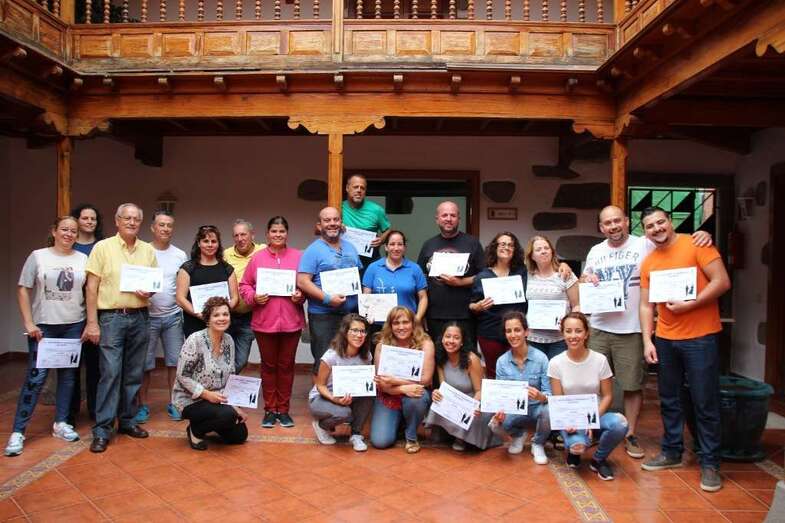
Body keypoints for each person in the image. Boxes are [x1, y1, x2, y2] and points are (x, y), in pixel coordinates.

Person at [582, 205, 713, 459]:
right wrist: (585, 280)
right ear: (601, 228)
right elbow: (585, 279)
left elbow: (672, 241)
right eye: (607, 223)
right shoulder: (595, 251)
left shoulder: (645, 244)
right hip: (598, 327)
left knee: (631, 385)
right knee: (592, 384)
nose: (613, 226)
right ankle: (593, 430)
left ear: (627, 221)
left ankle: (629, 433)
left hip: (631, 329)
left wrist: (703, 234)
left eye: (617, 221)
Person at [638, 207, 731, 493]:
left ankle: (710, 462)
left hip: (700, 337)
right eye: (650, 226)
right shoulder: (649, 262)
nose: (656, 228)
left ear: (670, 221)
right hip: (665, 338)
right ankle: (672, 451)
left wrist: (692, 304)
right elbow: (646, 305)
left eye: (660, 222)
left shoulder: (697, 244)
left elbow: (722, 281)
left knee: (705, 401)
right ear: (645, 231)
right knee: (670, 399)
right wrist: (647, 340)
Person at [5, 216, 87, 457]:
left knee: (68, 378)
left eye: (73, 231)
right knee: (36, 378)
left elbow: (89, 290)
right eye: (64, 229)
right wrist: (29, 322)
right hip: (44, 327)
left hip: (73, 325)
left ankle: (61, 423)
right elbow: (23, 288)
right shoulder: (38, 256)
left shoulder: (82, 259)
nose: (69, 234)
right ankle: (18, 431)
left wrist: (88, 322)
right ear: (54, 231)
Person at [84, 203, 158, 453]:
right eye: (126, 218)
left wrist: (151, 290)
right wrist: (92, 322)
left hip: (140, 317)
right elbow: (91, 287)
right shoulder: (102, 247)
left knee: (134, 373)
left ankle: (127, 421)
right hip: (111, 318)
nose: (131, 222)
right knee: (111, 373)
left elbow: (153, 283)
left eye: (136, 219)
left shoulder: (147, 250)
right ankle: (103, 429)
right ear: (117, 221)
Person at [239, 216, 305, 429]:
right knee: (268, 366)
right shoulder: (257, 258)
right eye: (274, 231)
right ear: (267, 234)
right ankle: (270, 409)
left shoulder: (298, 257)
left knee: (286, 366)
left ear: (287, 233)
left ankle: (283, 410)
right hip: (264, 322)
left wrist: (300, 295)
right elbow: (245, 285)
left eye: (282, 231)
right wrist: (253, 297)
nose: (278, 235)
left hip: (291, 321)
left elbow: (306, 284)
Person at [548, 312, 628, 480]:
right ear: (562, 333)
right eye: (568, 331)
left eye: (578, 331)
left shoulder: (600, 360)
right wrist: (570, 422)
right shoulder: (555, 363)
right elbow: (558, 401)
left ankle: (598, 460)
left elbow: (607, 396)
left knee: (620, 423)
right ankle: (574, 448)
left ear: (586, 333)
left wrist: (591, 421)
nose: (573, 336)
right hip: (570, 420)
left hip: (596, 417)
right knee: (577, 446)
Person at [172, 297, 248, 450]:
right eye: (216, 315)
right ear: (208, 319)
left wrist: (235, 406)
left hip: (218, 400)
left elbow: (230, 376)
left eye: (225, 314)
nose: (222, 318)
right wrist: (206, 394)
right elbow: (182, 376)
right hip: (191, 400)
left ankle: (212, 420)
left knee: (239, 435)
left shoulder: (229, 341)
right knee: (228, 416)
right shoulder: (195, 340)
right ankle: (195, 430)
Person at [135, 210, 188, 423]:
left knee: (174, 363)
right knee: (144, 364)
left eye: (169, 225)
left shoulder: (180, 255)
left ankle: (175, 403)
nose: (165, 229)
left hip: (173, 316)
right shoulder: (141, 251)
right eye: (161, 225)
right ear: (152, 228)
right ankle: (142, 405)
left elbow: (183, 284)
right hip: (146, 316)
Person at [297, 207, 363, 373]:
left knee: (349, 359)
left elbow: (357, 278)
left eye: (336, 219)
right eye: (327, 220)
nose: (332, 223)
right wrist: (328, 298)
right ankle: (322, 397)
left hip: (350, 315)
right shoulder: (312, 250)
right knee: (324, 360)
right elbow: (303, 281)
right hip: (323, 316)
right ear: (319, 225)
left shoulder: (351, 248)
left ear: (341, 223)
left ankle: (345, 397)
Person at [417, 201, 485, 353]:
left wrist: (460, 282)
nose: (449, 219)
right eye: (444, 215)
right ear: (437, 219)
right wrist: (422, 315)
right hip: (435, 315)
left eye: (453, 215)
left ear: (458, 219)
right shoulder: (428, 245)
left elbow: (484, 276)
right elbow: (420, 279)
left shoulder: (472, 243)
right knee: (436, 357)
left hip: (465, 314)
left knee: (466, 358)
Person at [486, 312, 551, 463]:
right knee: (494, 424)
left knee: (549, 410)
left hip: (537, 409)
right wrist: (499, 411)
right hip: (515, 411)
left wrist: (540, 396)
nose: (513, 335)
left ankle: (538, 443)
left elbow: (550, 394)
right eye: (508, 331)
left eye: (517, 330)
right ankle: (518, 435)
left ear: (526, 332)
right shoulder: (502, 361)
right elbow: (500, 395)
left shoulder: (541, 358)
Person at [370, 306, 435, 453]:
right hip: (389, 394)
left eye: (405, 322)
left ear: (413, 323)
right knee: (380, 441)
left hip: (414, 394)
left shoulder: (426, 343)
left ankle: (411, 435)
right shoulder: (382, 345)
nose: (401, 327)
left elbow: (425, 380)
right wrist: (401, 388)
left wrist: (395, 380)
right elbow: (380, 383)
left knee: (418, 396)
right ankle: (398, 422)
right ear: (390, 325)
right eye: (396, 323)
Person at [424, 323, 498, 451]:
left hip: (474, 400)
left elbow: (480, 391)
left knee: (473, 417)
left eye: (456, 338)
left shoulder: (471, 359)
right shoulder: (441, 358)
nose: (451, 341)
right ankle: (453, 433)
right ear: (442, 339)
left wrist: (472, 406)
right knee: (437, 401)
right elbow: (443, 387)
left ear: (462, 342)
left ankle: (462, 437)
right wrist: (437, 392)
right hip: (455, 401)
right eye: (448, 336)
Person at [309, 314, 374, 452]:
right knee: (345, 413)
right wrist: (335, 399)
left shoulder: (366, 356)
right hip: (323, 397)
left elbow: (364, 383)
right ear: (345, 332)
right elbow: (320, 385)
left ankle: (356, 434)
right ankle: (322, 425)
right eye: (354, 330)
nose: (359, 335)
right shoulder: (331, 356)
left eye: (362, 331)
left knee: (369, 395)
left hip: (350, 395)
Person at [469, 232, 528, 379]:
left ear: (515, 250)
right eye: (502, 244)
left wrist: (563, 265)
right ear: (495, 248)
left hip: (516, 331)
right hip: (490, 332)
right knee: (494, 372)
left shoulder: (522, 272)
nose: (506, 247)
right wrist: (477, 307)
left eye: (510, 245)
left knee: (519, 371)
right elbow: (471, 304)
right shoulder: (482, 276)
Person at [68, 203, 103, 424]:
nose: (89, 222)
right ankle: (70, 412)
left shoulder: (102, 247)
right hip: (72, 313)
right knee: (71, 364)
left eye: (93, 218)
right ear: (77, 221)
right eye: (85, 218)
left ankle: (94, 409)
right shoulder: (69, 246)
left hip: (98, 312)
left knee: (95, 365)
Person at [361, 230, 428, 344]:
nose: (396, 248)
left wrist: (416, 319)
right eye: (392, 244)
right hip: (380, 326)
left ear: (404, 247)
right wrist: (367, 315)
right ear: (386, 247)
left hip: (407, 326)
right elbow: (366, 297)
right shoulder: (373, 268)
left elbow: (423, 298)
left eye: (399, 244)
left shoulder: (414, 269)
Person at [176, 225, 239, 340]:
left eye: (214, 241)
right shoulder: (187, 268)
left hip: (221, 326)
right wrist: (200, 314)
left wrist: (221, 315)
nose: (210, 245)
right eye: (205, 241)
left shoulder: (227, 269)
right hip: (195, 324)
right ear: (199, 243)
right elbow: (180, 298)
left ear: (218, 244)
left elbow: (235, 298)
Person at [524, 235, 579, 359]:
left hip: (559, 339)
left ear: (552, 252)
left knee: (557, 376)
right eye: (538, 249)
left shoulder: (565, 274)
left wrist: (570, 328)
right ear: (532, 256)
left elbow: (577, 306)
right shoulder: (527, 275)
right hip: (533, 339)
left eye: (546, 248)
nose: (543, 251)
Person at [224, 219, 265, 373]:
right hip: (227, 315)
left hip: (249, 315)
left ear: (252, 235)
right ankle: (222, 393)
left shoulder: (263, 251)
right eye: (236, 235)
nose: (240, 239)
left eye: (243, 234)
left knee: (240, 360)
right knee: (223, 357)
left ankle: (225, 389)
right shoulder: (226, 254)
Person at [342, 174, 391, 269]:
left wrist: (381, 240)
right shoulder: (338, 207)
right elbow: (320, 229)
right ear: (347, 188)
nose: (359, 190)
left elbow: (388, 230)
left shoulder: (376, 210)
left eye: (362, 188)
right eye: (355, 187)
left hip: (370, 259)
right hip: (345, 259)